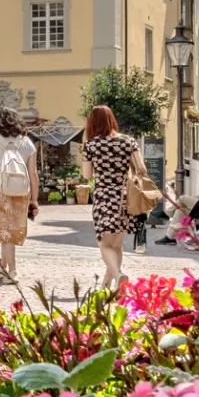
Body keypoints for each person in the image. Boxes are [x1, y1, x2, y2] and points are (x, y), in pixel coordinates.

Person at [80, 105, 144, 290]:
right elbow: (142, 169)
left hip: (104, 197)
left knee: (104, 244)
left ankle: (118, 274)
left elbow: (86, 175)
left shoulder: (91, 145)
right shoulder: (129, 141)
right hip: (125, 197)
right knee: (116, 244)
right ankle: (107, 286)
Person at [0, 107, 37, 285]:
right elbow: (33, 173)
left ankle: (12, 271)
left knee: (6, 234)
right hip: (20, 191)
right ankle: (3, 267)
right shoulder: (27, 143)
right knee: (10, 232)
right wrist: (34, 199)